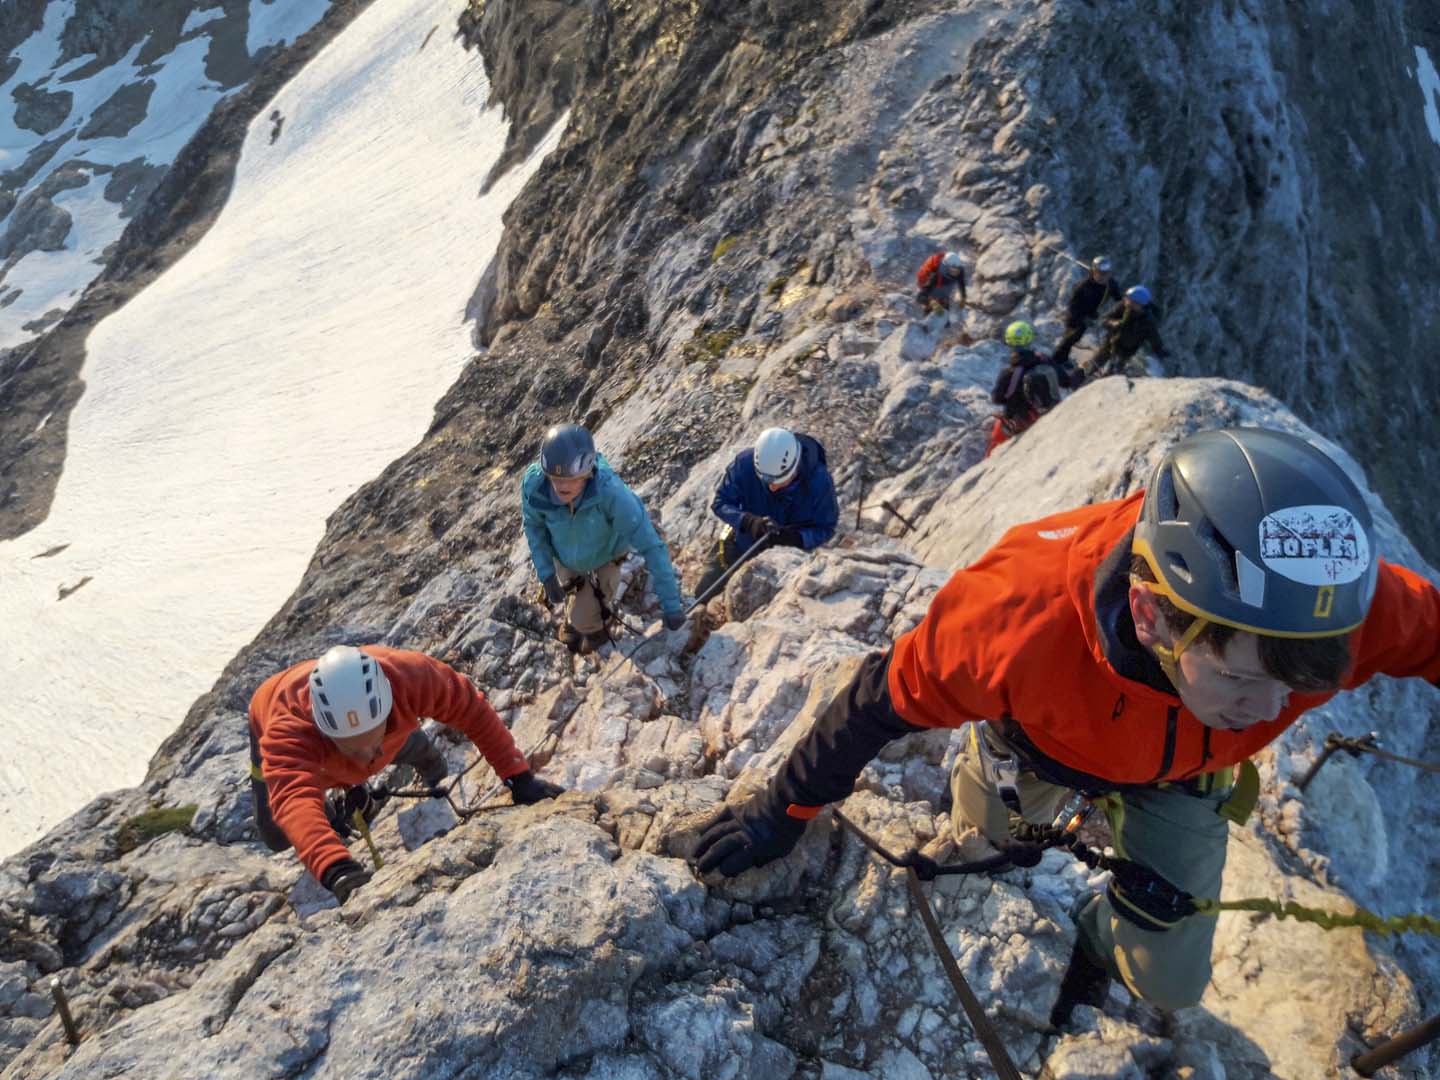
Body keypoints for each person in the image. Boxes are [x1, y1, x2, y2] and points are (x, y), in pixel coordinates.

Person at [693, 427, 1440, 1026]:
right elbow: (874, 702)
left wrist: (1257, 679)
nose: (1275, 712)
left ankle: (1096, 930)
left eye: (1298, 686)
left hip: (1182, 778)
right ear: (1150, 615)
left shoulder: (1326, 611)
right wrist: (781, 810)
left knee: (1169, 984)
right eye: (1246, 679)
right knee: (987, 838)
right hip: (1041, 747)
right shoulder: (1019, 615)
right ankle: (997, 768)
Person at [248, 645, 563, 904]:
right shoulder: (286, 729)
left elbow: (471, 709)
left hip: (388, 734)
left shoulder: (409, 677)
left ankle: (415, 749)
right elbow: (292, 797)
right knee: (276, 835)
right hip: (283, 723)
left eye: (371, 739)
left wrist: (518, 778)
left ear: (387, 704)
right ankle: (334, 806)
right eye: (352, 748)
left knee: (394, 748)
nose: (366, 756)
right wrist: (336, 868)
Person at [522, 423, 686, 654]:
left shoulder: (612, 494)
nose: (560, 486)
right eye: (554, 478)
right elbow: (534, 527)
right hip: (566, 555)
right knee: (577, 610)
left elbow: (651, 547)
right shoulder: (535, 487)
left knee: (588, 622)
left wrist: (671, 605)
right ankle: (578, 617)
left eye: (570, 479)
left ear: (587, 473)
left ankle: (597, 625)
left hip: (607, 554)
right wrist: (546, 574)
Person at [696, 427, 840, 599]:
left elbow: (825, 527)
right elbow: (721, 502)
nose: (772, 487)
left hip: (786, 563)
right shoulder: (744, 464)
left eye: (779, 481)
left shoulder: (818, 482)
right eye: (766, 480)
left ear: (794, 468)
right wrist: (748, 521)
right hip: (740, 544)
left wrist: (796, 537)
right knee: (702, 595)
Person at [983, 321, 1081, 458]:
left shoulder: (1009, 373)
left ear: (1009, 343)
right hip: (1049, 412)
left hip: (1019, 422)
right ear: (1030, 339)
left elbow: (997, 398)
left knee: (994, 447)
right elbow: (1065, 382)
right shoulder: (1045, 361)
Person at [1051, 256, 1123, 368]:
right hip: (1077, 314)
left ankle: (1062, 359)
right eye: (1100, 273)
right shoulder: (1083, 286)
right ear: (1094, 272)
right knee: (1070, 338)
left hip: (1091, 313)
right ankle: (1057, 359)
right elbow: (1072, 306)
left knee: (1075, 338)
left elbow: (1119, 299)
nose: (1103, 276)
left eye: (1106, 273)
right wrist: (1081, 319)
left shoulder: (1111, 285)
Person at [1091, 284, 1168, 377]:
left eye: (1128, 299)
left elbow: (1154, 338)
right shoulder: (1122, 307)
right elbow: (1104, 320)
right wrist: (1113, 323)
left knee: (1114, 372)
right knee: (1095, 363)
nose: (1125, 300)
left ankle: (1105, 382)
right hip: (1111, 342)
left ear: (1138, 304)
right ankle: (1079, 379)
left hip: (1127, 350)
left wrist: (1159, 350)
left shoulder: (1147, 322)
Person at [914, 251, 967, 315]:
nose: (955, 273)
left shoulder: (959, 272)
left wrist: (963, 297)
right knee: (932, 320)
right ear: (946, 268)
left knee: (945, 318)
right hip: (931, 298)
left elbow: (961, 282)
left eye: (957, 270)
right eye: (953, 270)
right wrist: (932, 303)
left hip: (944, 297)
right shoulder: (934, 276)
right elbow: (919, 297)